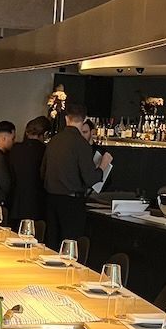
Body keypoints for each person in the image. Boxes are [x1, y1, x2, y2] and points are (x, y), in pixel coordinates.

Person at [41, 103, 112, 248]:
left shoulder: (54, 141)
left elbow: (42, 172)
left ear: (66, 118)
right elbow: (90, 178)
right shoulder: (81, 144)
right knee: (69, 246)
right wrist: (103, 165)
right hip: (72, 203)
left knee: (51, 245)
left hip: (50, 199)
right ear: (84, 119)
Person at [8, 116, 50, 229]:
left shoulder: (15, 149)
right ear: (44, 134)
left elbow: (10, 174)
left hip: (15, 202)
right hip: (37, 204)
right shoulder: (45, 151)